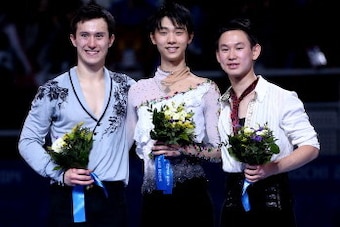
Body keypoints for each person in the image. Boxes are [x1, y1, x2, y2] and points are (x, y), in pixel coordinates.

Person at [18, 1, 136, 226]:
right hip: (68, 198)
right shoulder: (52, 90)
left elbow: (144, 130)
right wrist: (60, 173)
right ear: (73, 39)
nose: (91, 43)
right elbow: (27, 141)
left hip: (113, 199)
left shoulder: (127, 87)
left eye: (99, 35)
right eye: (84, 35)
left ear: (111, 40)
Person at [215, 17, 320, 227]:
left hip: (273, 205)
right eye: (225, 49)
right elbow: (217, 151)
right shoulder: (221, 104)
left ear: (255, 51)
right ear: (218, 56)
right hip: (232, 206)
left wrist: (272, 167)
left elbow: (311, 146)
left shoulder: (281, 97)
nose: (232, 55)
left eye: (239, 48)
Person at [126, 1, 221, 227]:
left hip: (193, 198)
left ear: (190, 37)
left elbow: (220, 152)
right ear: (152, 37)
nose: (171, 40)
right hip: (153, 199)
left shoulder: (206, 89)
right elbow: (122, 146)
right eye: (164, 32)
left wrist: (184, 148)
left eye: (179, 32)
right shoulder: (138, 90)